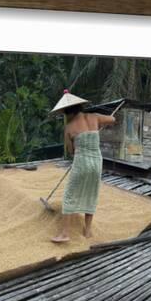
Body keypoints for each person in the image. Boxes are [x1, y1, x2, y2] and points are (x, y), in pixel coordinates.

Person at [49, 91, 117, 243]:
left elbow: (71, 151)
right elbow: (113, 119)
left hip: (81, 162)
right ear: (80, 106)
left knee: (70, 194)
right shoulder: (94, 116)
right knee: (91, 193)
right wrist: (99, 120)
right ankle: (87, 230)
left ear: (66, 112)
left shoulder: (68, 127)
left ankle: (65, 233)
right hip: (97, 162)